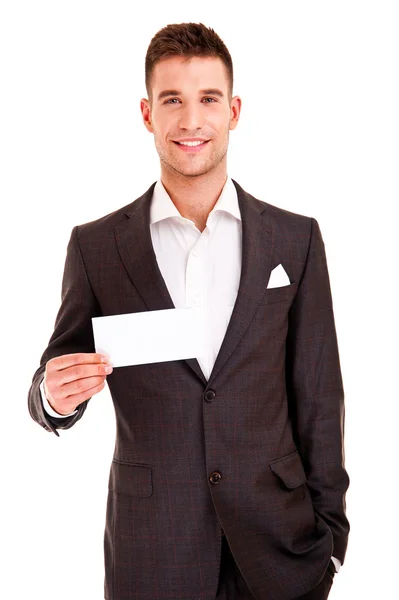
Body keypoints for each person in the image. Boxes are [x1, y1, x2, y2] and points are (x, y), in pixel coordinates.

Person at [27, 22, 349, 600]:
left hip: (282, 551)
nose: (192, 121)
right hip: (153, 550)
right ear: (148, 114)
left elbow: (320, 399)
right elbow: (54, 371)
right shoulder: (97, 247)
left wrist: (332, 543)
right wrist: (53, 397)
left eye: (208, 99)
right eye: (173, 100)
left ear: (234, 110)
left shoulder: (294, 240)